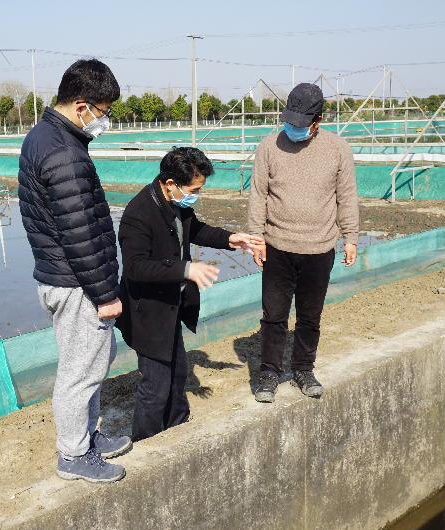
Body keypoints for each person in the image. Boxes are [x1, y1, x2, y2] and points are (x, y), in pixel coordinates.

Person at [17, 59, 131, 483]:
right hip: (76, 282)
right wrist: (105, 295)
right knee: (80, 373)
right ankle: (73, 455)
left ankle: (86, 435)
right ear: (81, 106)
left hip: (59, 274)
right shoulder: (64, 153)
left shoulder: (46, 136)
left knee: (93, 361)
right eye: (102, 111)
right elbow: (81, 235)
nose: (104, 120)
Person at [117, 147, 264, 441]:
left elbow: (193, 229)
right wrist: (185, 270)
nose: (197, 194)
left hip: (172, 306)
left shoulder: (177, 204)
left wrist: (231, 239)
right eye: (194, 189)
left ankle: (178, 427)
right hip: (148, 312)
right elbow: (135, 267)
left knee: (178, 373)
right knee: (156, 385)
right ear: (170, 183)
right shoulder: (138, 214)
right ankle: (146, 443)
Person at [247, 82, 359, 403]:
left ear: (318, 120)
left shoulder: (338, 149)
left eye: (300, 123)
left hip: (320, 248)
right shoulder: (269, 147)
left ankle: (303, 368)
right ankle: (268, 372)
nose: (293, 128)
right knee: (274, 315)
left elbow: (346, 196)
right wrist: (256, 238)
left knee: (310, 316)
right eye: (289, 121)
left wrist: (350, 236)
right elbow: (259, 195)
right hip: (277, 246)